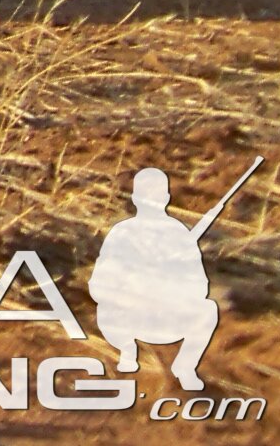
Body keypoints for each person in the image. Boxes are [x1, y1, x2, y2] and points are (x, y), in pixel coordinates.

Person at [89, 168, 222, 391]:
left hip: (167, 314)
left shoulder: (178, 233)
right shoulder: (122, 233)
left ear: (167, 198)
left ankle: (185, 367)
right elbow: (99, 283)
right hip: (129, 314)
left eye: (158, 196)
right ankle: (128, 352)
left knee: (208, 309)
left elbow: (200, 285)